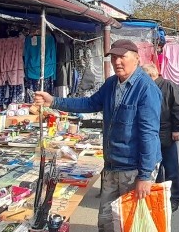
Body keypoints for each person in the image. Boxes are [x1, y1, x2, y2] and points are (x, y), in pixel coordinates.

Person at [32, 39, 161, 232]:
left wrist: (145, 176)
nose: (117, 61)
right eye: (114, 57)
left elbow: (149, 134)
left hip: (134, 169)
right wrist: (54, 101)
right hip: (111, 165)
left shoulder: (146, 89)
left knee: (131, 223)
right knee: (107, 222)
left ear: (136, 58)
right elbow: (89, 103)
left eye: (122, 57)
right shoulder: (111, 84)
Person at [142, 64, 179, 212]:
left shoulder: (168, 85)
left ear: (151, 75)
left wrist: (177, 128)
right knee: (155, 168)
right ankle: (158, 197)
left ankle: (174, 198)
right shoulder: (147, 87)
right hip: (152, 134)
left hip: (167, 133)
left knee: (171, 168)